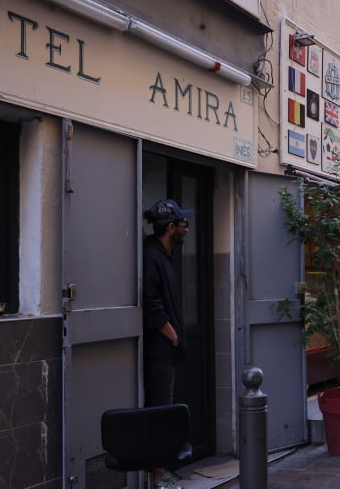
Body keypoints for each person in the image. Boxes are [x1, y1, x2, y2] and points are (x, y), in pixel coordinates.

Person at [142, 199, 193, 489]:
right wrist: (173, 336)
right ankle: (159, 477)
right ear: (171, 227)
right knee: (161, 412)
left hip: (167, 352)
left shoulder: (162, 255)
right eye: (183, 224)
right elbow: (152, 305)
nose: (187, 229)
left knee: (165, 410)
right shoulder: (152, 256)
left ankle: (161, 473)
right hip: (160, 351)